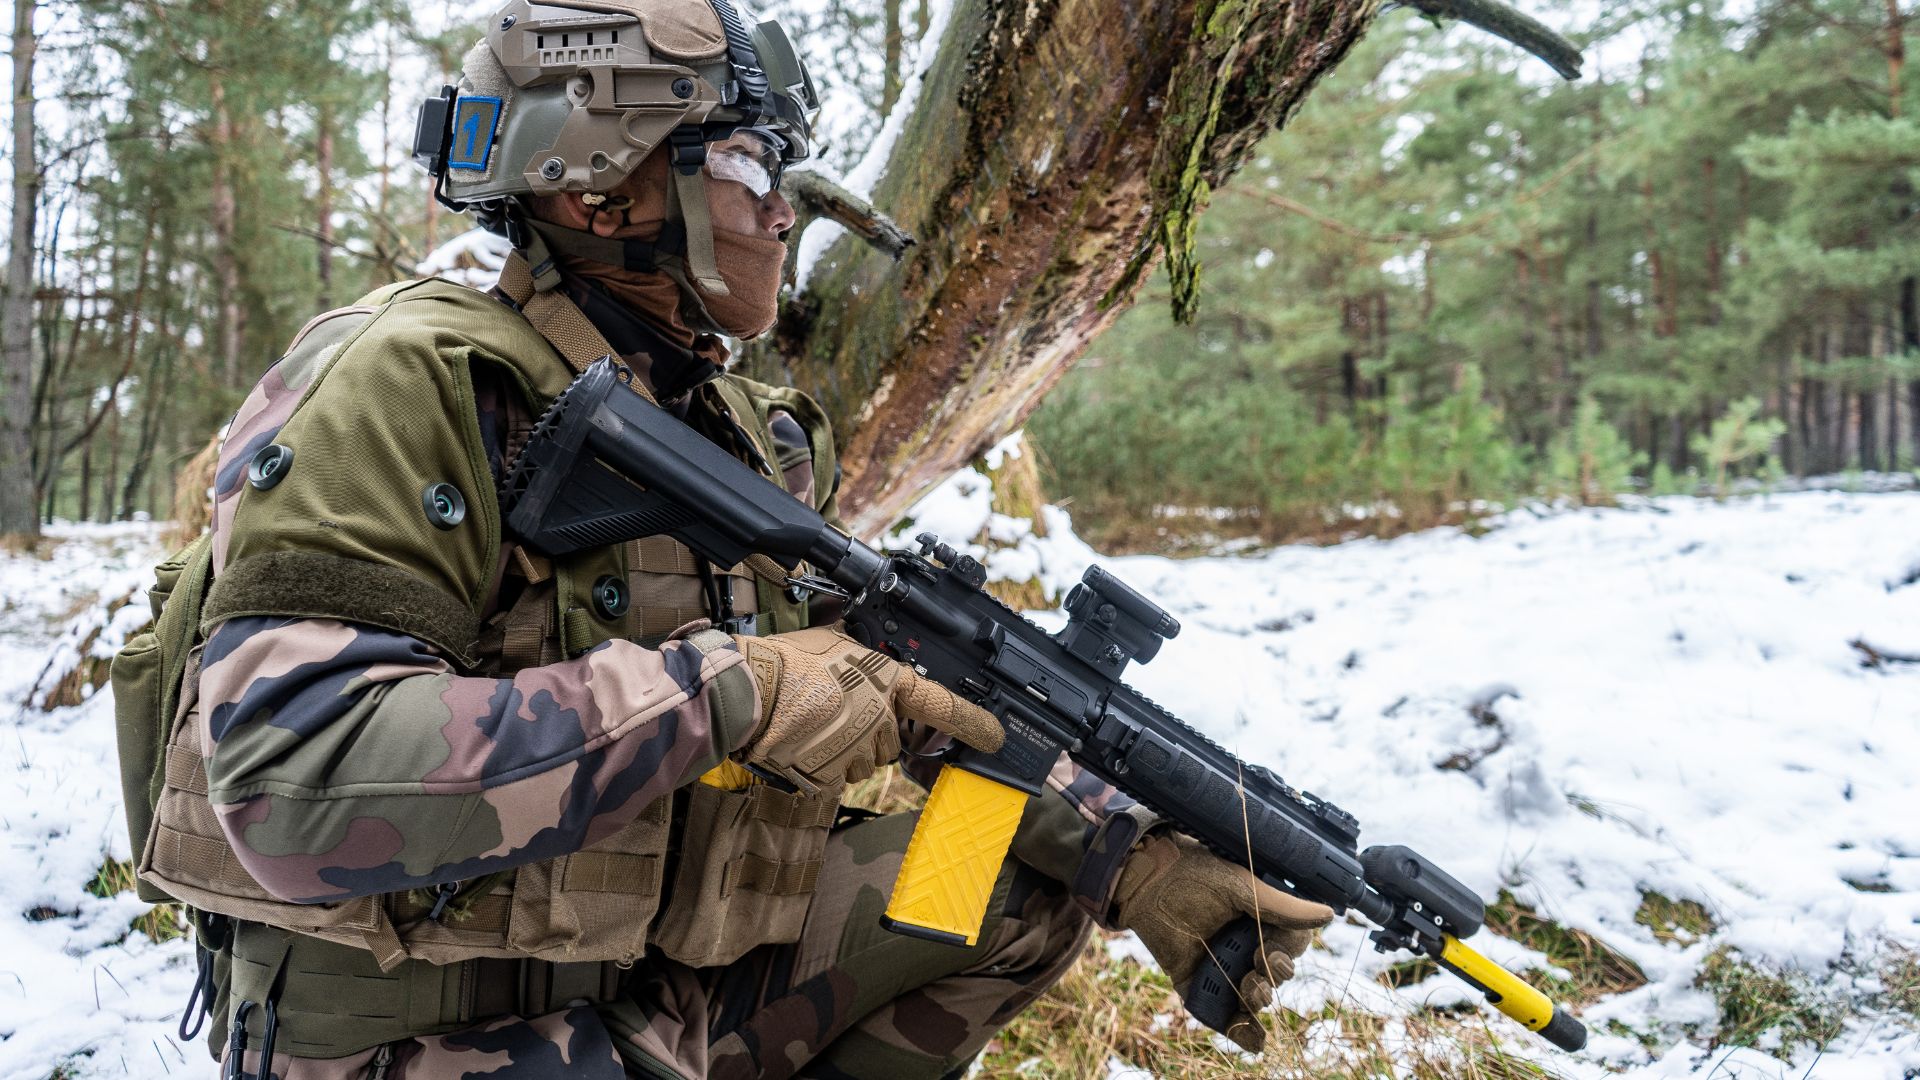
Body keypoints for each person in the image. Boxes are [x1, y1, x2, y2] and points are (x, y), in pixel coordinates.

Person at [140, 1, 1332, 1075]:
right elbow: (294, 783)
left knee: (1002, 874)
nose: (781, 207)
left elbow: (912, 695)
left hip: (655, 1004)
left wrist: (1135, 858)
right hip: (423, 1042)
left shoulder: (735, 428)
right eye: (749, 161)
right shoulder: (408, 380)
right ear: (601, 189)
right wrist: (726, 692)